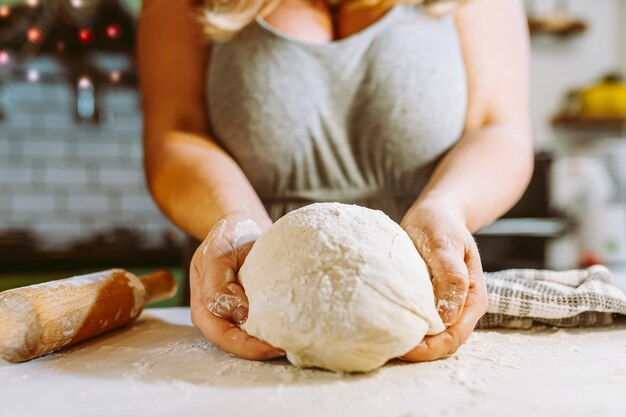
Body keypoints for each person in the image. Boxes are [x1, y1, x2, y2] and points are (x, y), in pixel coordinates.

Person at [137, 0, 533, 362]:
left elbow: (497, 127)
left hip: (418, 300)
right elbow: (176, 132)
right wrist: (234, 219)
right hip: (246, 300)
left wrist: (447, 209)